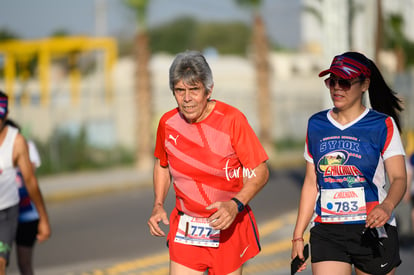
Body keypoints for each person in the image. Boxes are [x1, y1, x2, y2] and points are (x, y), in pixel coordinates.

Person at [147, 50, 269, 275]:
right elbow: (162, 165)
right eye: (180, 90)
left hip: (227, 227)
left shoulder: (232, 119)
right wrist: (157, 204)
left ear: (208, 90)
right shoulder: (167, 123)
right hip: (188, 229)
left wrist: (235, 204)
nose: (187, 99)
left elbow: (260, 171)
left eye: (194, 90)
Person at [291, 52, 407, 275]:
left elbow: (399, 178)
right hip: (327, 230)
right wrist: (298, 234)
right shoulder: (316, 124)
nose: (336, 88)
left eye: (344, 82)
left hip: (372, 227)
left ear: (364, 84)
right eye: (331, 81)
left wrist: (387, 206)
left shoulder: (382, 124)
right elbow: (310, 183)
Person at [0, 91, 51, 275]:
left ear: (5, 116)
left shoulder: (18, 143)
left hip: (14, 212)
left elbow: (30, 180)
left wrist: (43, 218)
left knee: (21, 264)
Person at [6, 119, 43, 275]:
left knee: (24, 263)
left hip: (26, 214)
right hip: (5, 216)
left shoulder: (26, 146)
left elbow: (30, 177)